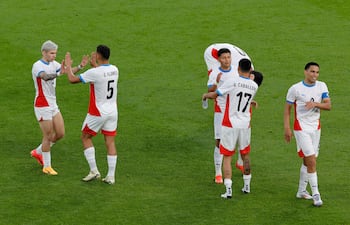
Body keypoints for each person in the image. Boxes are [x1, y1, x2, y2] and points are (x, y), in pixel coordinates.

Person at [204, 43, 261, 184]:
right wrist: (216, 85)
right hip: (220, 110)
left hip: (234, 111)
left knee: (239, 142)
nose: (227, 60)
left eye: (229, 57)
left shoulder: (236, 73)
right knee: (219, 141)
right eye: (224, 58)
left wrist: (250, 102)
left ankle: (239, 164)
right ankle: (218, 173)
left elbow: (240, 90)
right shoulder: (215, 73)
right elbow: (211, 89)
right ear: (219, 59)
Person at [63, 45, 119, 184]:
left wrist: (69, 66)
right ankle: (111, 176)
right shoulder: (115, 69)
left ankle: (94, 171)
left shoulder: (94, 73)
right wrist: (95, 66)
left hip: (98, 111)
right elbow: (101, 76)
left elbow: (72, 79)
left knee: (85, 137)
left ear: (99, 56)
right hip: (112, 111)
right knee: (110, 142)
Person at [31, 40, 88, 175]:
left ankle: (38, 152)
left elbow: (67, 71)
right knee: (48, 135)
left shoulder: (53, 64)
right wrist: (59, 73)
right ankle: (47, 166)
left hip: (52, 104)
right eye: (51, 53)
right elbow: (45, 77)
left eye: (55, 53)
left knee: (60, 133)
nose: (54, 56)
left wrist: (80, 66)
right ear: (44, 52)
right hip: (42, 104)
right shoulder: (37, 66)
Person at [284, 62, 331, 207]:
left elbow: (328, 105)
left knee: (308, 160)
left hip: (316, 128)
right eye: (312, 72)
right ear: (305, 72)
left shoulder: (322, 86)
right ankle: (316, 194)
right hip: (301, 128)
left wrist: (316, 104)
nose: (315, 75)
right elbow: (287, 110)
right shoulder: (295, 89)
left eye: (317, 72)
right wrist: (287, 128)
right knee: (311, 160)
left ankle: (301, 191)